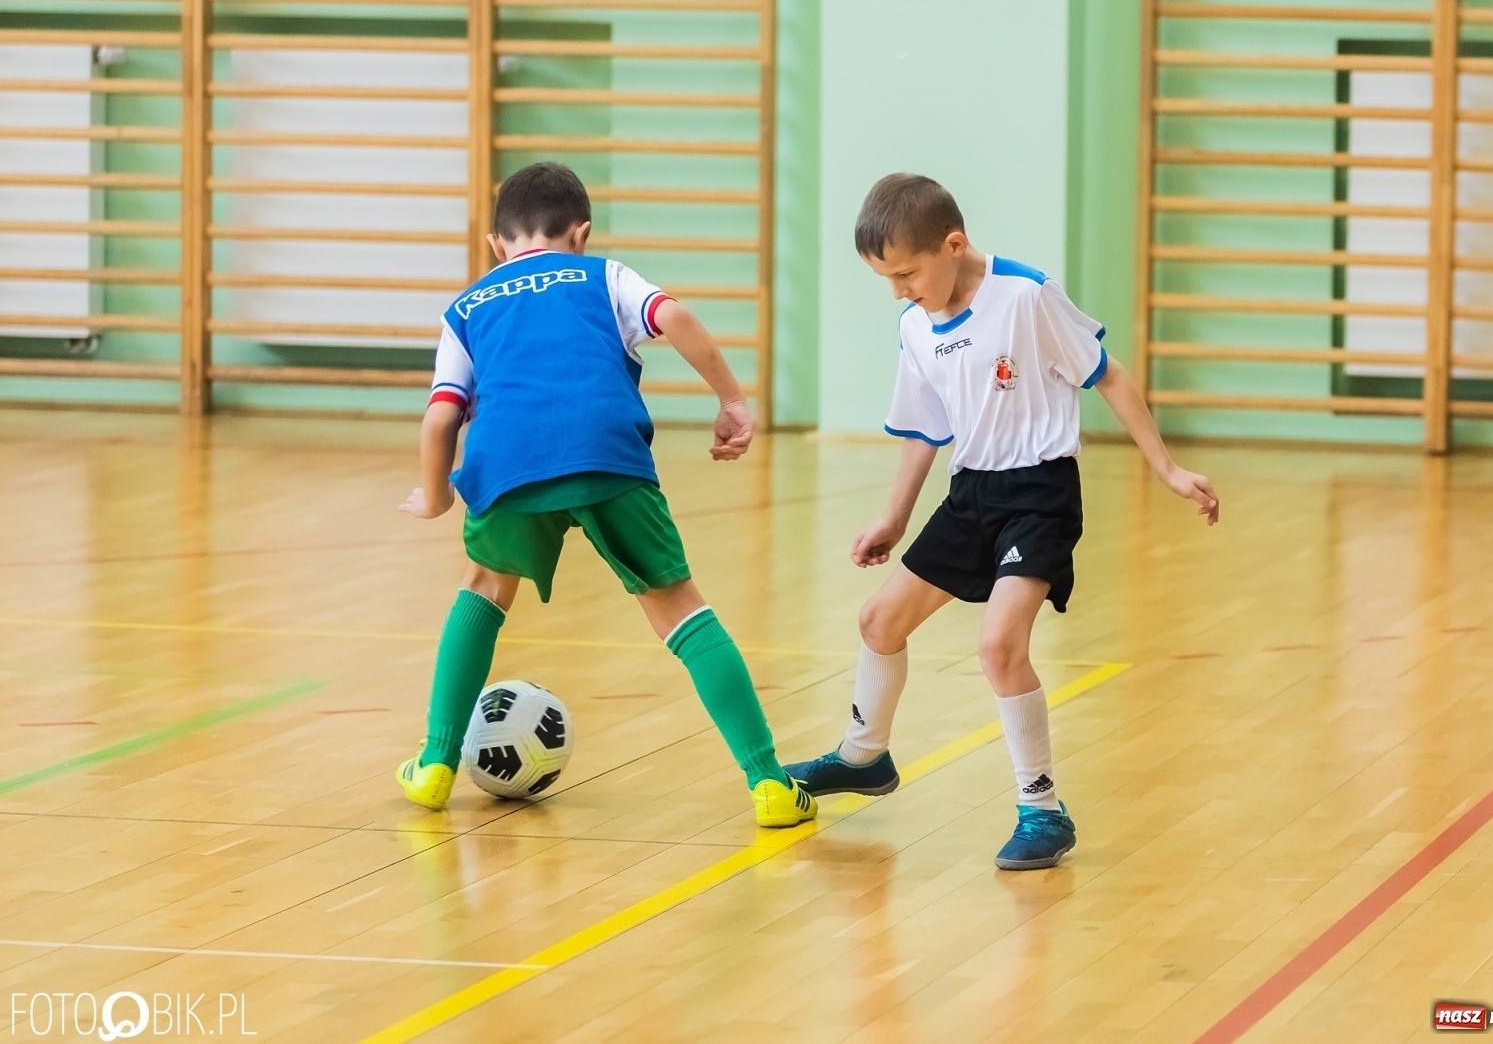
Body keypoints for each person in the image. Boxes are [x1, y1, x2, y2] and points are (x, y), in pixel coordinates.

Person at [784, 173, 1219, 868]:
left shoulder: (1024, 294)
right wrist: (894, 515)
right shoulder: (915, 324)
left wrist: (1166, 467)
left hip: (1040, 493)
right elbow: (925, 429)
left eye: (906, 273)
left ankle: (1042, 808)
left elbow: (1108, 374)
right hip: (971, 494)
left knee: (999, 645)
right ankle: (864, 757)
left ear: (953, 245)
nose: (898, 290)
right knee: (878, 621)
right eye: (886, 278)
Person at [395, 161, 815, 828]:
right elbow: (671, 314)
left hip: (508, 459)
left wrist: (432, 494)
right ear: (581, 234)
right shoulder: (604, 276)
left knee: (483, 587)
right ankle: (768, 782)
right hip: (605, 450)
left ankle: (436, 762)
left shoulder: (468, 306)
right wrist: (732, 399)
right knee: (679, 608)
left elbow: (443, 414)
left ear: (495, 244)